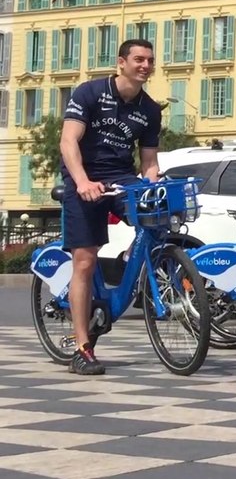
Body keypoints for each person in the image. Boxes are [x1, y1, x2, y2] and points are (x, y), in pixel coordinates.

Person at [58, 39, 164, 375]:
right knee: (85, 260)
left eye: (149, 60)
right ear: (121, 62)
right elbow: (68, 140)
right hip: (84, 177)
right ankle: (82, 347)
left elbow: (148, 161)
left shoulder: (149, 109)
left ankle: (130, 258)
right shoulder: (89, 93)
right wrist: (82, 182)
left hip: (119, 177)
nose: (145, 66)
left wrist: (153, 181)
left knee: (159, 216)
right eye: (138, 59)